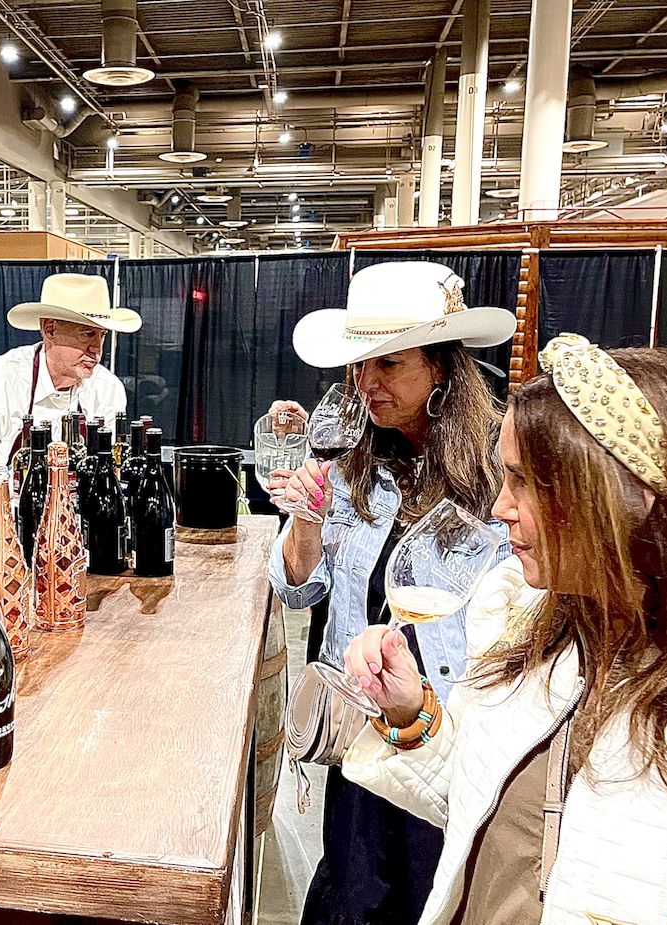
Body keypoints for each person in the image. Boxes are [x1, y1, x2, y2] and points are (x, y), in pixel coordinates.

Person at [342, 336, 667, 925]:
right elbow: (484, 806)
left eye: (525, 482)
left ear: (629, 495)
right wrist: (410, 715)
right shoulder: (520, 618)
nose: (499, 507)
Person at [267, 261, 516, 925]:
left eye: (390, 364)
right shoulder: (352, 457)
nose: (367, 384)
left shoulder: (500, 474)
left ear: (441, 367)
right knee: (354, 894)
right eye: (360, 366)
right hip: (365, 731)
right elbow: (298, 589)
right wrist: (309, 518)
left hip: (450, 736)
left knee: (435, 896)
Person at [0, 272, 140, 499]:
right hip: (5, 522)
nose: (97, 348)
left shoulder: (107, 389)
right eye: (87, 334)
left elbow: (109, 471)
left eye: (102, 335)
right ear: (50, 329)